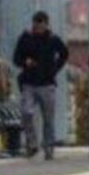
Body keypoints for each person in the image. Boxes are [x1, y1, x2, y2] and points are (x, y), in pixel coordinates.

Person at [12, 11, 69, 160]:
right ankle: (32, 144)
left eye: (41, 25)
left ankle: (48, 146)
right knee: (26, 112)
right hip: (28, 82)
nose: (38, 28)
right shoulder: (25, 38)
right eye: (36, 25)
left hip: (47, 83)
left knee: (48, 117)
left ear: (46, 24)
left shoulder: (53, 39)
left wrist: (55, 68)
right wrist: (26, 62)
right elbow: (16, 58)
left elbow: (64, 53)